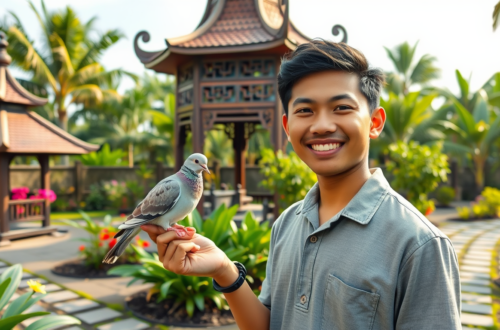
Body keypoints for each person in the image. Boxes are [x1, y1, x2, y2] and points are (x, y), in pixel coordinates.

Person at [141, 40, 461, 330]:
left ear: (374, 122)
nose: (321, 125)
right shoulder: (287, 224)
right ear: (287, 126)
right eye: (305, 111)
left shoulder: (419, 245)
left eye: (342, 108)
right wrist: (224, 269)